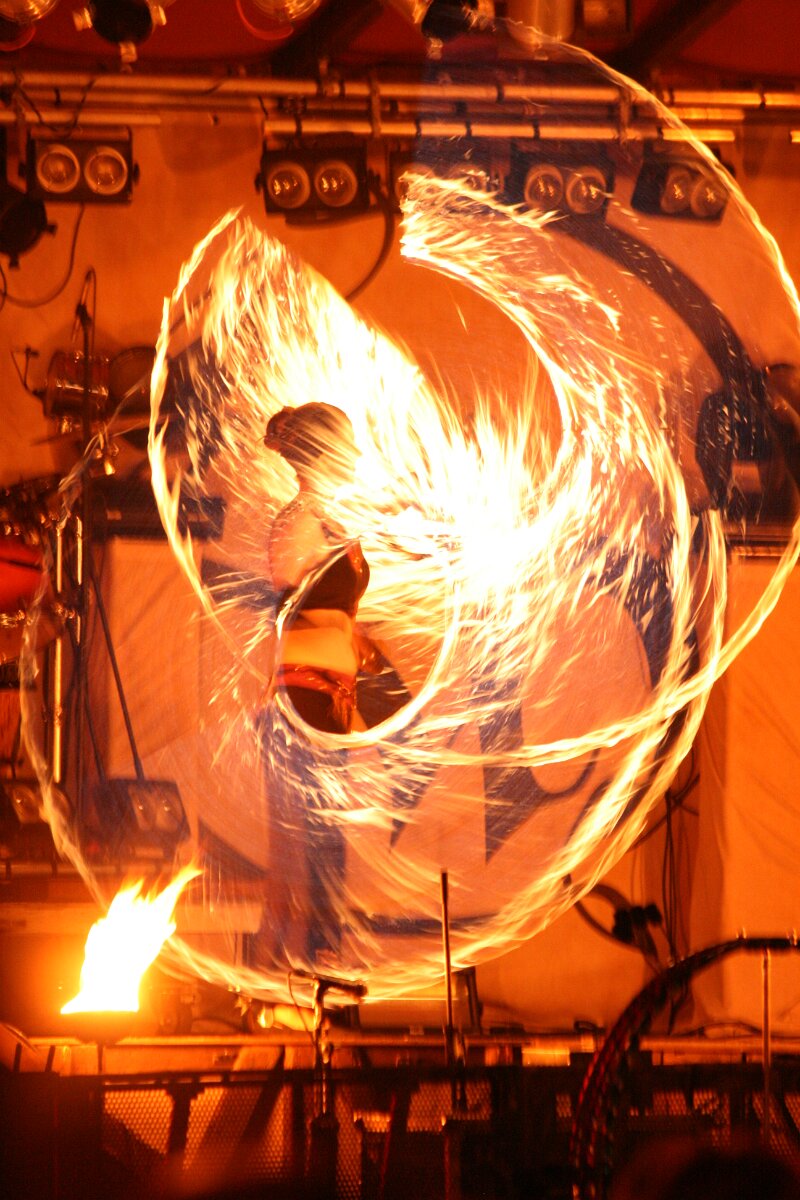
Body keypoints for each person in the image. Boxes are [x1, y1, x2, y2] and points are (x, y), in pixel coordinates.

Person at [264, 402, 371, 734]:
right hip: (306, 693)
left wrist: (353, 636)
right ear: (324, 451)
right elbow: (287, 610)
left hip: (332, 693)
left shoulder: (326, 520)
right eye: (349, 443)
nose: (358, 454)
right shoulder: (299, 522)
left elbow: (320, 603)